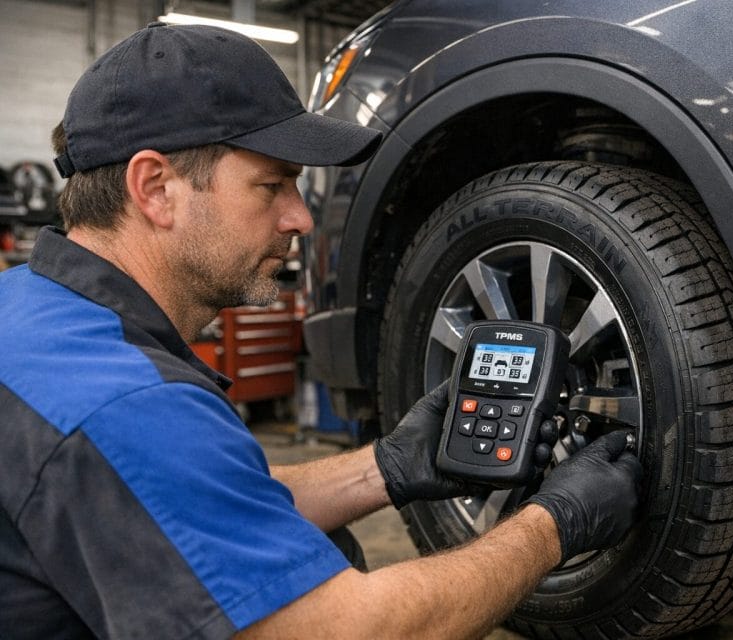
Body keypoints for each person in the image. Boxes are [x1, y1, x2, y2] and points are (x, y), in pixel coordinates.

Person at [0, 23, 642, 639]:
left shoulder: (31, 309)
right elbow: (351, 630)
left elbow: (200, 504)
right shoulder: (122, 403)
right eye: (271, 185)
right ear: (156, 188)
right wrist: (552, 525)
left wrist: (385, 469)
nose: (300, 218)